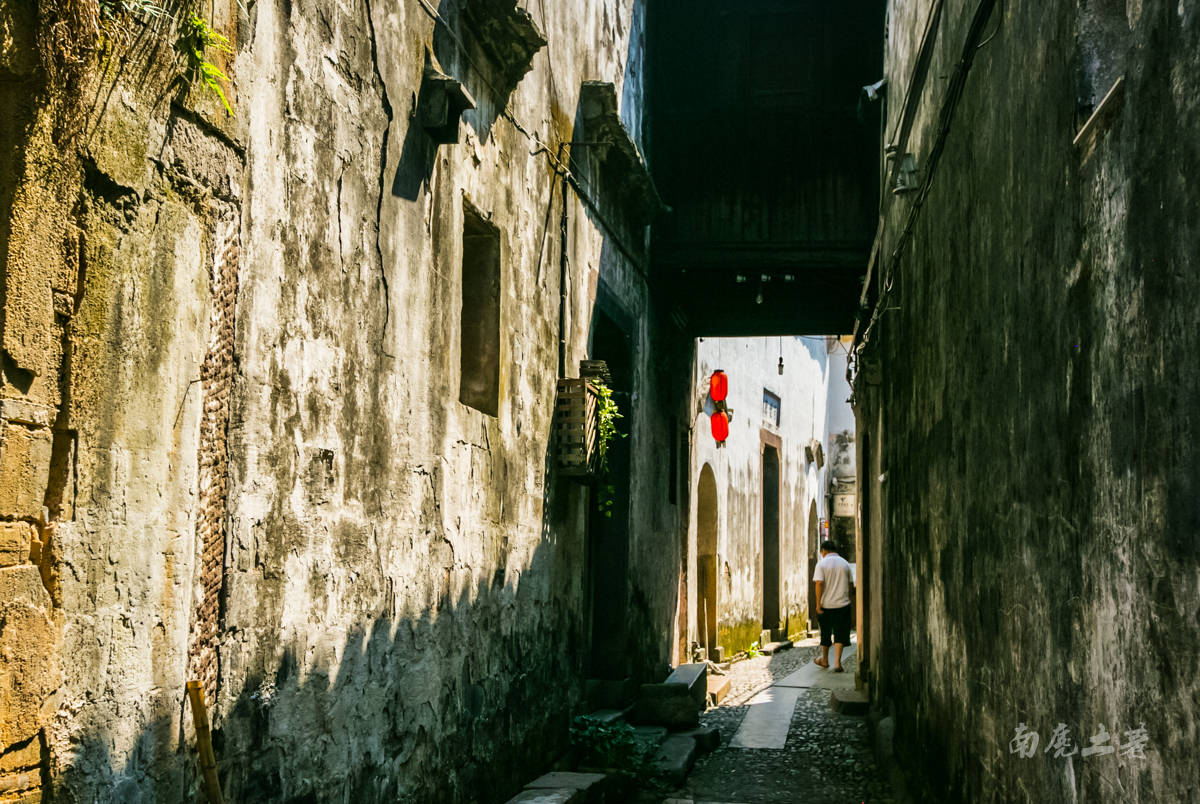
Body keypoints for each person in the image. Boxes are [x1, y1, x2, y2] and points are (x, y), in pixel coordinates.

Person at [812, 539, 854, 672]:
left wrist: (818, 604)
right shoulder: (845, 564)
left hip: (826, 605)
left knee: (825, 633)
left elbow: (819, 583)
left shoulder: (821, 564)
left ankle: (824, 660)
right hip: (843, 604)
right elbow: (851, 585)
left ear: (824, 551)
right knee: (840, 633)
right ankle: (837, 663)